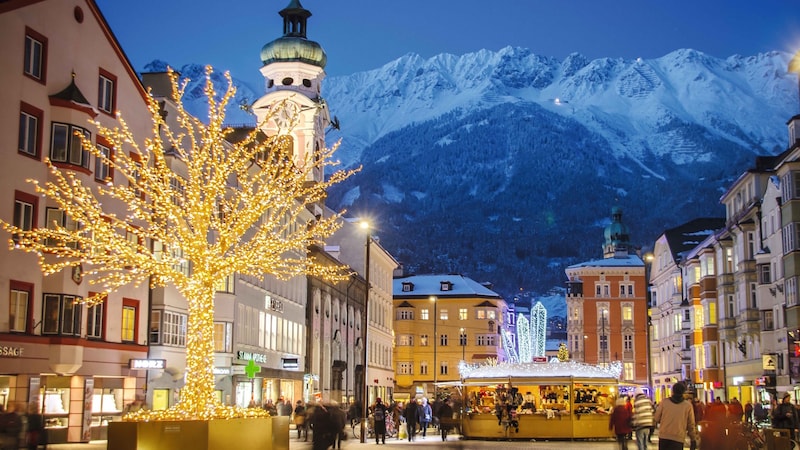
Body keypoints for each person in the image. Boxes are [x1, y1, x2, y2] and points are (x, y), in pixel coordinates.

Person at [654, 382, 697, 450]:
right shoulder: (687, 406)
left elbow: (656, 418)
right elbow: (691, 424)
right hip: (678, 438)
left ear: (673, 391)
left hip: (664, 436)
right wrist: (693, 439)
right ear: (683, 392)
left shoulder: (664, 402)